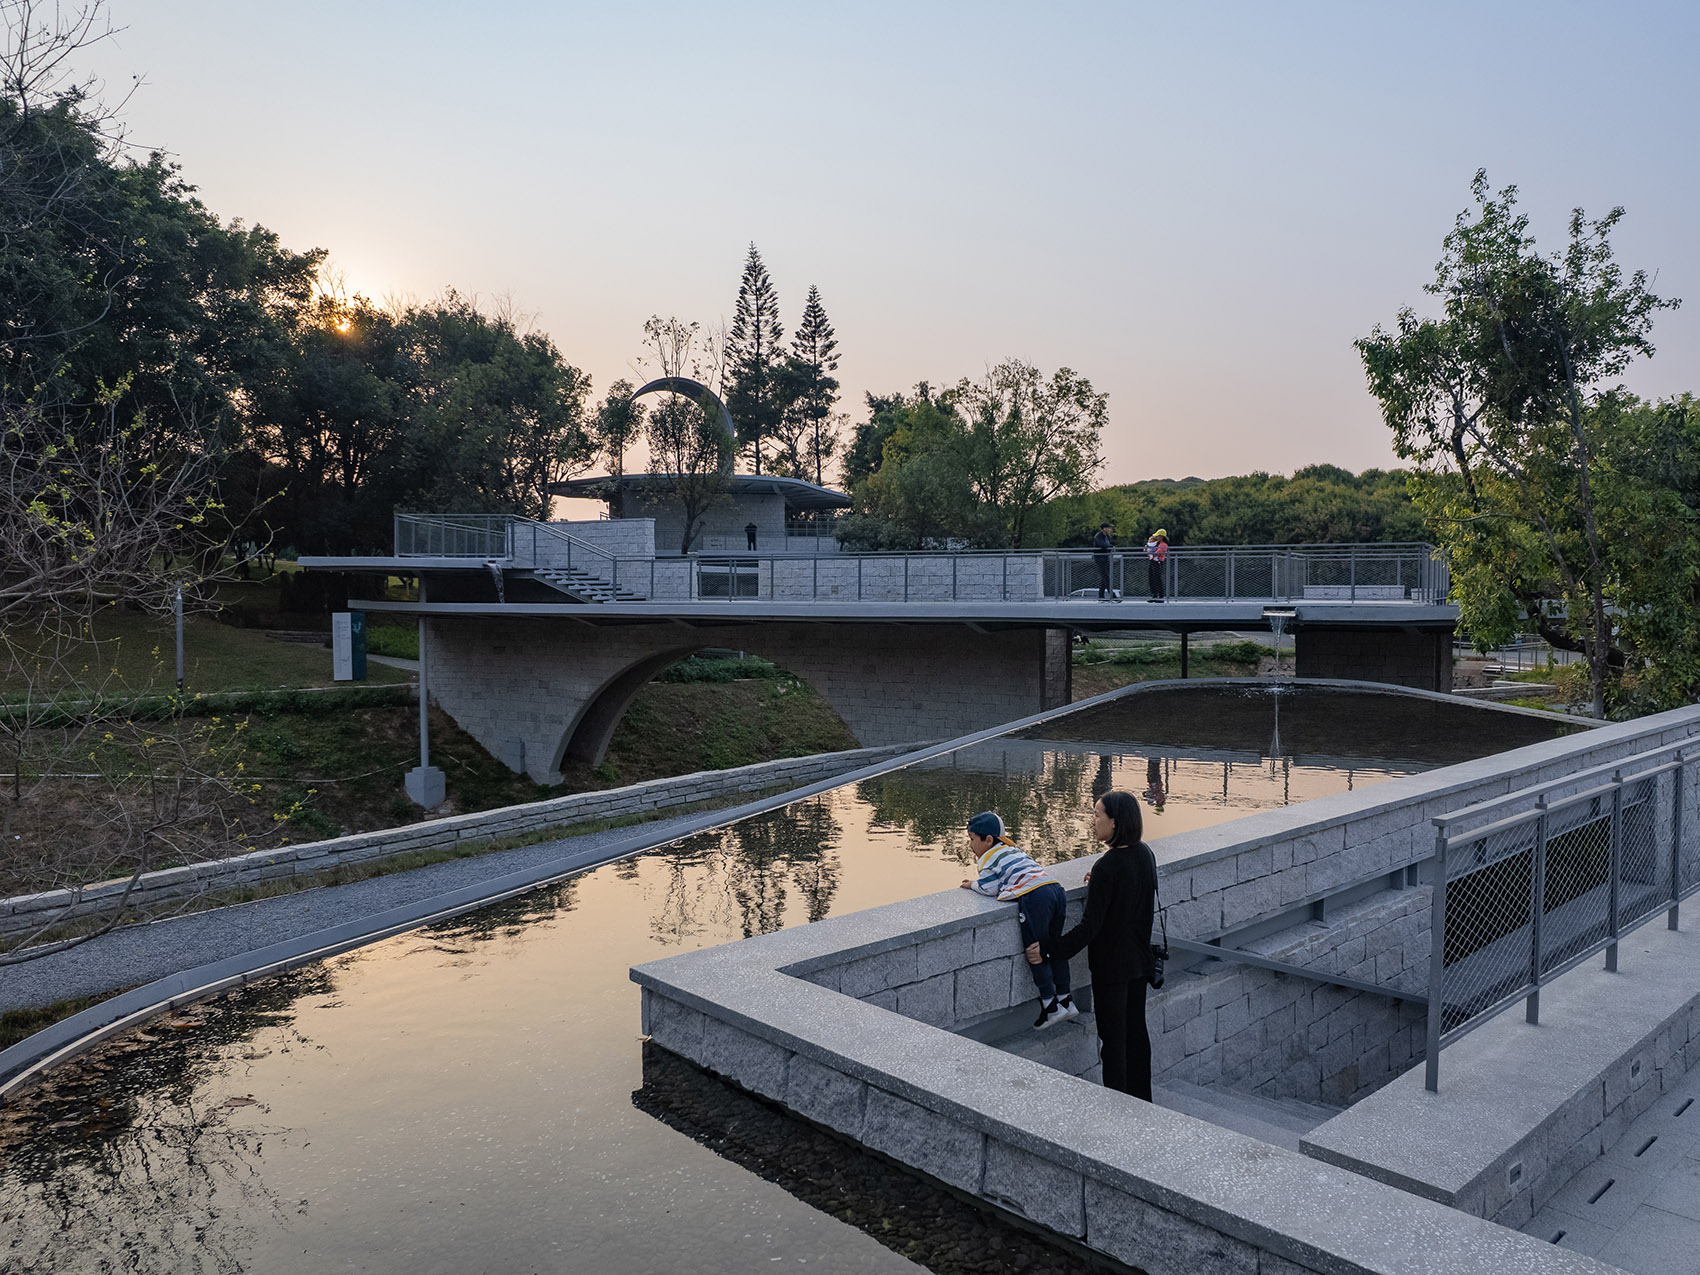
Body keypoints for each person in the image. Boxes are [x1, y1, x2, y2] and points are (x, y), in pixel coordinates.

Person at [1027, 790, 1157, 1100]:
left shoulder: (1107, 867)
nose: (1093, 821)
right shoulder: (1145, 854)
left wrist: (1047, 949)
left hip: (1112, 968)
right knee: (1136, 1034)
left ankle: (1117, 1109)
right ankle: (1143, 1103)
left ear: (1115, 822)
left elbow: (1089, 929)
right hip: (1140, 962)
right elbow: (1132, 897)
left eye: (1097, 815)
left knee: (1113, 1040)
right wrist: (1096, 883)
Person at [961, 811, 1079, 1029]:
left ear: (988, 840)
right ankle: (1066, 999)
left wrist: (971, 885)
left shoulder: (987, 858)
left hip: (1036, 897)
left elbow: (989, 887)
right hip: (1055, 890)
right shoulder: (1012, 850)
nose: (970, 846)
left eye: (972, 839)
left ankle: (1050, 1006)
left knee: (1035, 950)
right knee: (1053, 948)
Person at [1091, 522, 1117, 601]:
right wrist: (1110, 547)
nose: (1110, 529)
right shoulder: (1099, 536)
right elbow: (1102, 545)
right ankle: (1111, 594)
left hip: (1106, 558)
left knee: (1105, 576)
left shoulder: (1107, 536)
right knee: (1105, 576)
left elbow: (1107, 546)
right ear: (1104, 528)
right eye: (1108, 528)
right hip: (1100, 558)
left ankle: (1101, 594)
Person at [1145, 529, 1168, 602]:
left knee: (1157, 579)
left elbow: (1157, 553)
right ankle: (1154, 595)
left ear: (1161, 537)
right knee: (1151, 578)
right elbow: (1147, 549)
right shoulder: (1156, 543)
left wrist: (1150, 551)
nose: (1156, 538)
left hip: (1158, 562)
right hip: (1152, 561)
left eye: (1157, 536)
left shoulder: (1163, 545)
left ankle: (1160, 595)